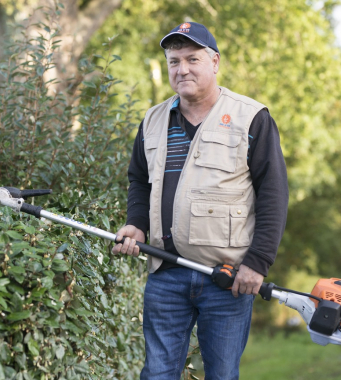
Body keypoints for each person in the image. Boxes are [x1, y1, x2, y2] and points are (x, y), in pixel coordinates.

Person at [112, 22, 289, 379]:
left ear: (215, 63)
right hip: (165, 273)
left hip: (226, 277)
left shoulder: (251, 117)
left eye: (193, 59)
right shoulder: (153, 120)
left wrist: (258, 262)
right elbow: (139, 181)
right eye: (174, 61)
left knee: (222, 375)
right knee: (157, 373)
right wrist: (138, 224)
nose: (183, 69)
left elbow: (273, 192)